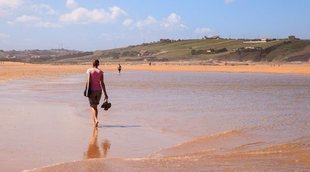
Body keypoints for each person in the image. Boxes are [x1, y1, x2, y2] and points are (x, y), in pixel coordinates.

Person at [86, 59, 108, 127]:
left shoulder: (89, 70)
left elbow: (88, 81)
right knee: (95, 107)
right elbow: (102, 83)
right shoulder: (101, 72)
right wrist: (105, 94)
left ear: (92, 64)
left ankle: (95, 119)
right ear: (98, 64)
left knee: (92, 106)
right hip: (99, 91)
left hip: (91, 90)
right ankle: (95, 123)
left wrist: (86, 90)